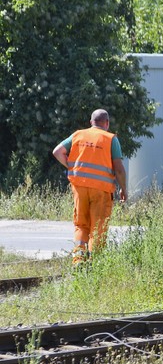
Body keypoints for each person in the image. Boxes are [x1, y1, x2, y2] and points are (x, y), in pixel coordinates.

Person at [52, 109, 127, 265]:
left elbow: (57, 151)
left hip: (79, 187)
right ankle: (95, 262)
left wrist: (71, 167)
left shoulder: (78, 135)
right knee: (98, 227)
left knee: (81, 225)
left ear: (91, 122)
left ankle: (78, 260)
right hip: (101, 189)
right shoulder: (111, 139)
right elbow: (119, 168)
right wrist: (124, 189)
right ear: (107, 123)